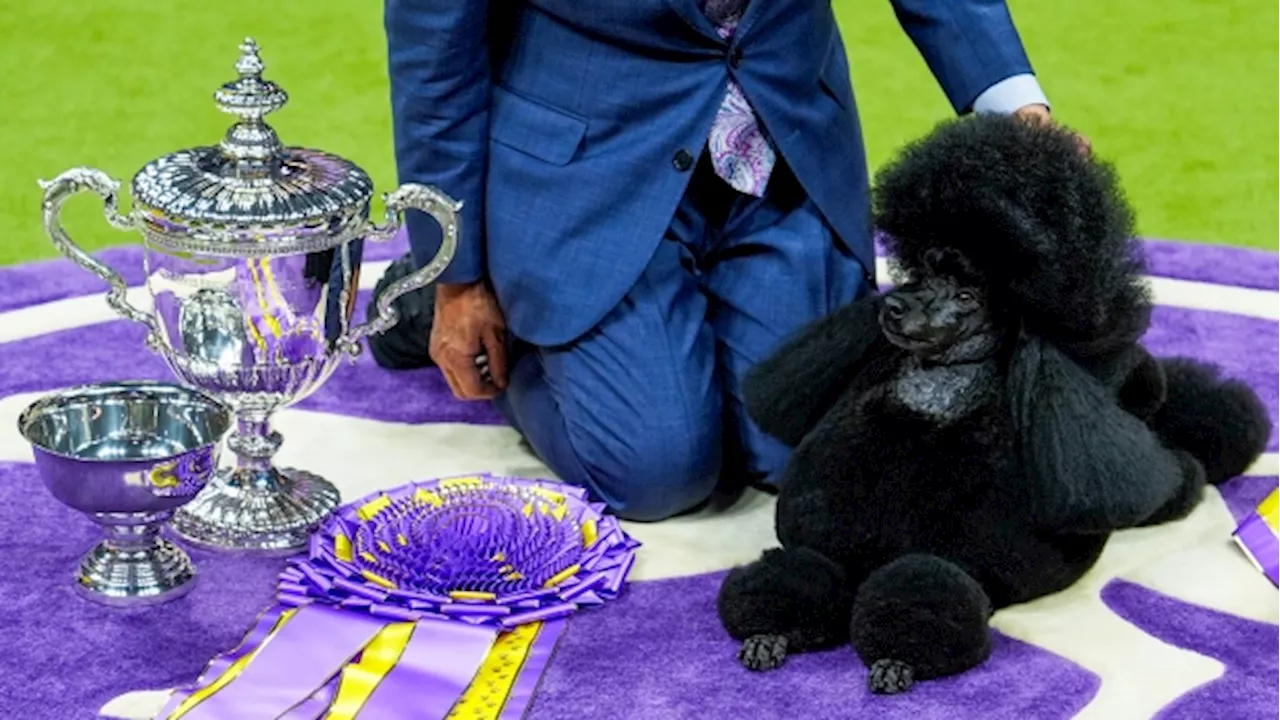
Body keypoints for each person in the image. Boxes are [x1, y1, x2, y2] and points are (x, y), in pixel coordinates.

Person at [373, 0, 1082, 522]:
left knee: (799, 450)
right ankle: (491, 315)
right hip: (591, 170)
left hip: (784, 147)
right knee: (656, 473)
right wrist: (456, 274)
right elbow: (435, 56)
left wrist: (1020, 115)